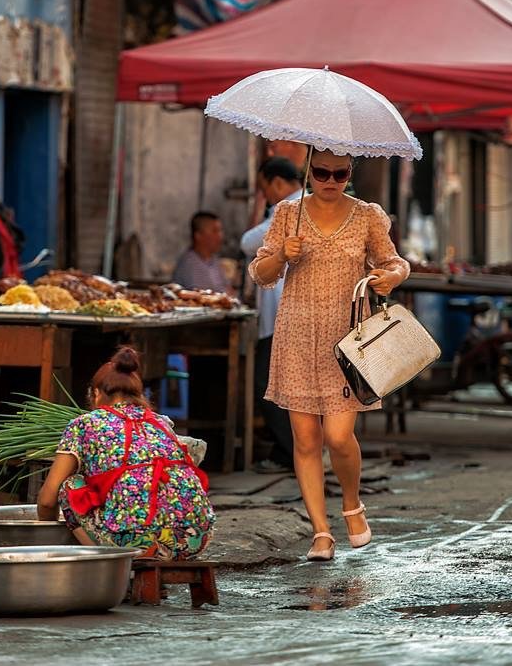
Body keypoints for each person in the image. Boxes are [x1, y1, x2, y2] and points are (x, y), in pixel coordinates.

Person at [249, 148, 410, 561]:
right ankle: (321, 533)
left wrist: (390, 277)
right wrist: (283, 254)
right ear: (309, 171)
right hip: (297, 335)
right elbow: (260, 273)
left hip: (347, 341)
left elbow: (395, 262)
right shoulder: (288, 214)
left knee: (338, 437)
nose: (330, 180)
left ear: (349, 173)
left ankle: (352, 504)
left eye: (339, 173)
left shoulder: (368, 215)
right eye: (321, 172)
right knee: (305, 439)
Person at [36, 347, 215, 559]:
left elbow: (47, 500)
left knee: (70, 486)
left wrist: (43, 539)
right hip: (197, 538)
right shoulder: (161, 422)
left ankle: (111, 568)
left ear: (95, 393)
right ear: (138, 395)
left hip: (140, 544)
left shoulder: (84, 424)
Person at [241, 157, 303, 474]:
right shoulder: (297, 209)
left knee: (269, 384)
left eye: (265, 189)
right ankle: (293, 451)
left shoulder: (290, 210)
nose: (265, 195)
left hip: (285, 316)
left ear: (277, 183)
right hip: (289, 314)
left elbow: (248, 242)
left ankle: (289, 453)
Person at [172, 211, 233, 295]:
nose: (220, 236)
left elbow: (228, 291)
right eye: (215, 231)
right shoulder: (189, 263)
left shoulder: (214, 261)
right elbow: (199, 296)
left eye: (220, 231)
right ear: (198, 235)